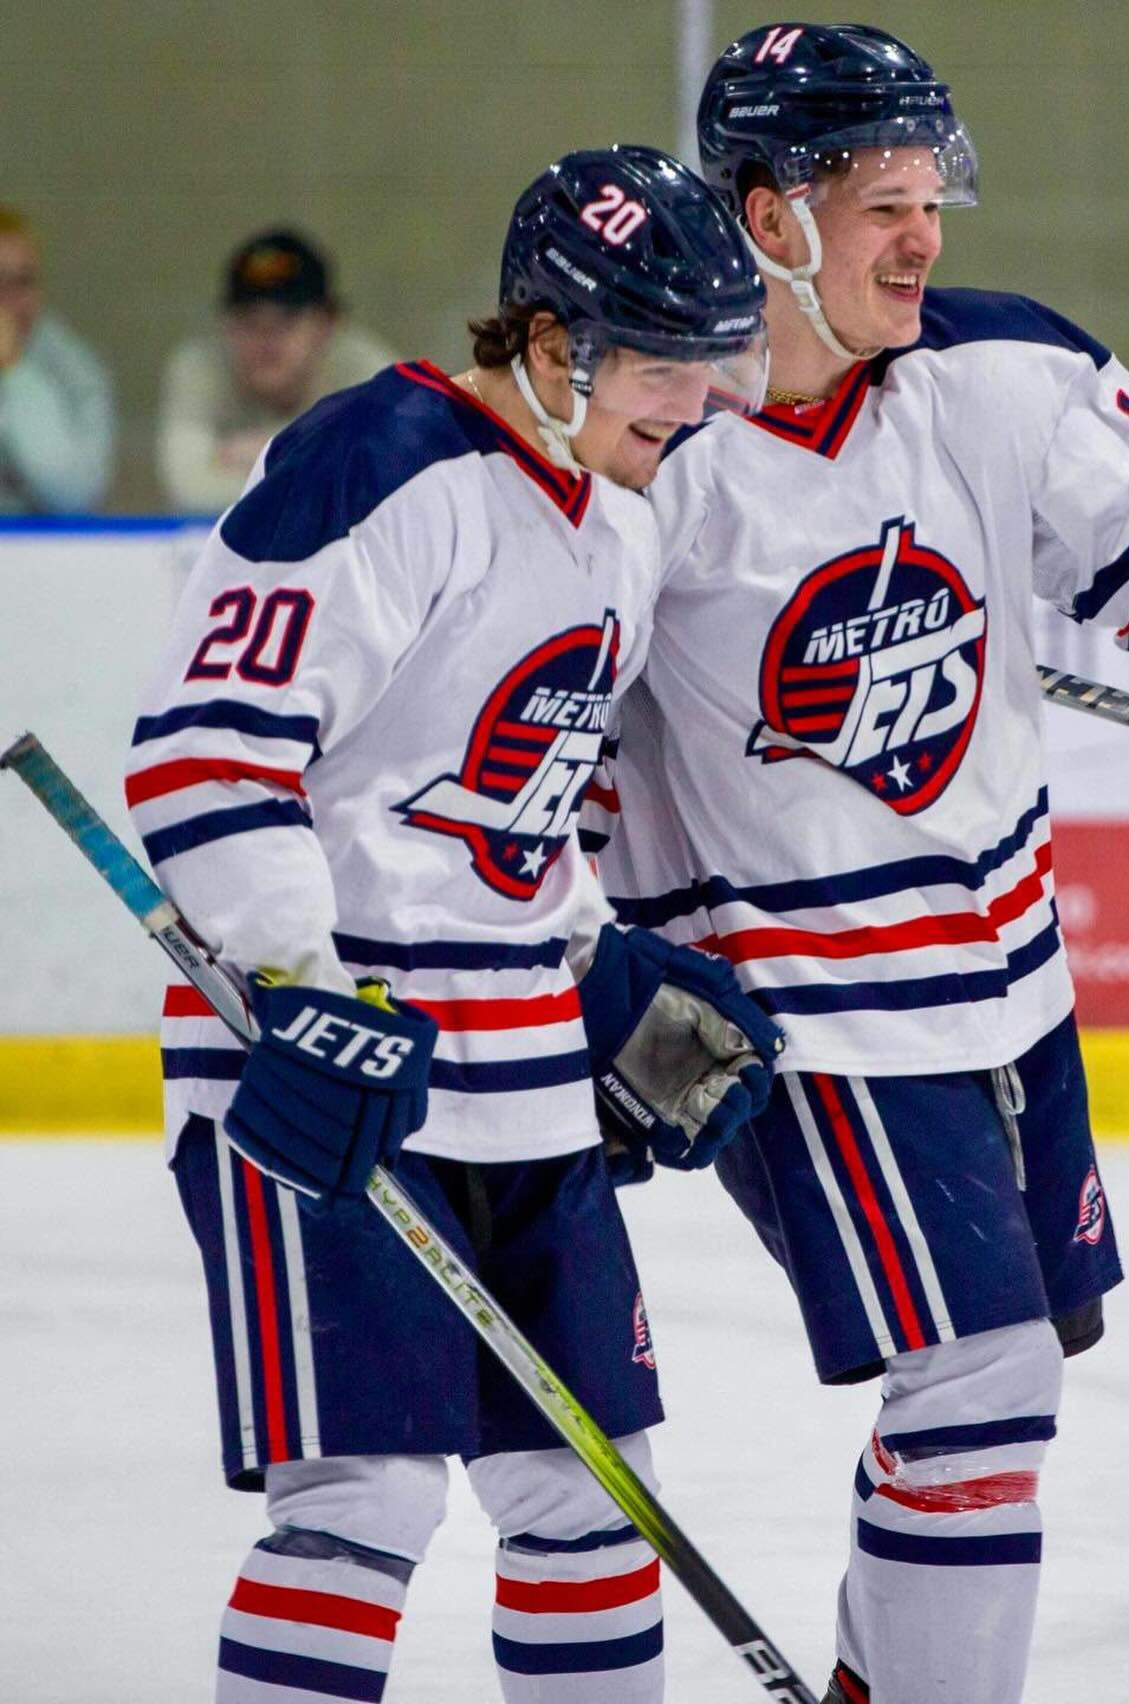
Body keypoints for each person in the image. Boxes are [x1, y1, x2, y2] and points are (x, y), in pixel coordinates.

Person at [590, 25, 1129, 1704]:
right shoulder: (652, 451)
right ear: (765, 216)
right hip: (795, 1012)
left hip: (1014, 986)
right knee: (983, 1376)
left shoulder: (1003, 368)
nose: (924, 235)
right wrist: (584, 976)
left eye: (929, 198)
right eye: (882, 203)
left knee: (1008, 1383)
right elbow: (551, 743)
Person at [126, 144, 778, 1704]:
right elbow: (208, 746)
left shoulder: (616, 527)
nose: (697, 406)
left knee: (592, 1497)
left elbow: (510, 816)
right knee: (364, 1502)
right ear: (557, 344)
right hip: (325, 1074)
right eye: (668, 367)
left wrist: (593, 962)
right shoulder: (379, 462)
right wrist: (295, 984)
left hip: (519, 1080)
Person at [156, 227, 398, 514]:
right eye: (249, 321)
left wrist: (270, 450)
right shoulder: (199, 369)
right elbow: (190, 491)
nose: (265, 340)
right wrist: (320, 458)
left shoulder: (368, 373)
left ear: (328, 324)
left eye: (286, 321)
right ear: (225, 324)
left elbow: (383, 487)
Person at [0, 205, 114, 513]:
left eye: (23, 282)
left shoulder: (74, 368)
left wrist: (15, 370)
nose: (9, 301)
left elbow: (75, 494)